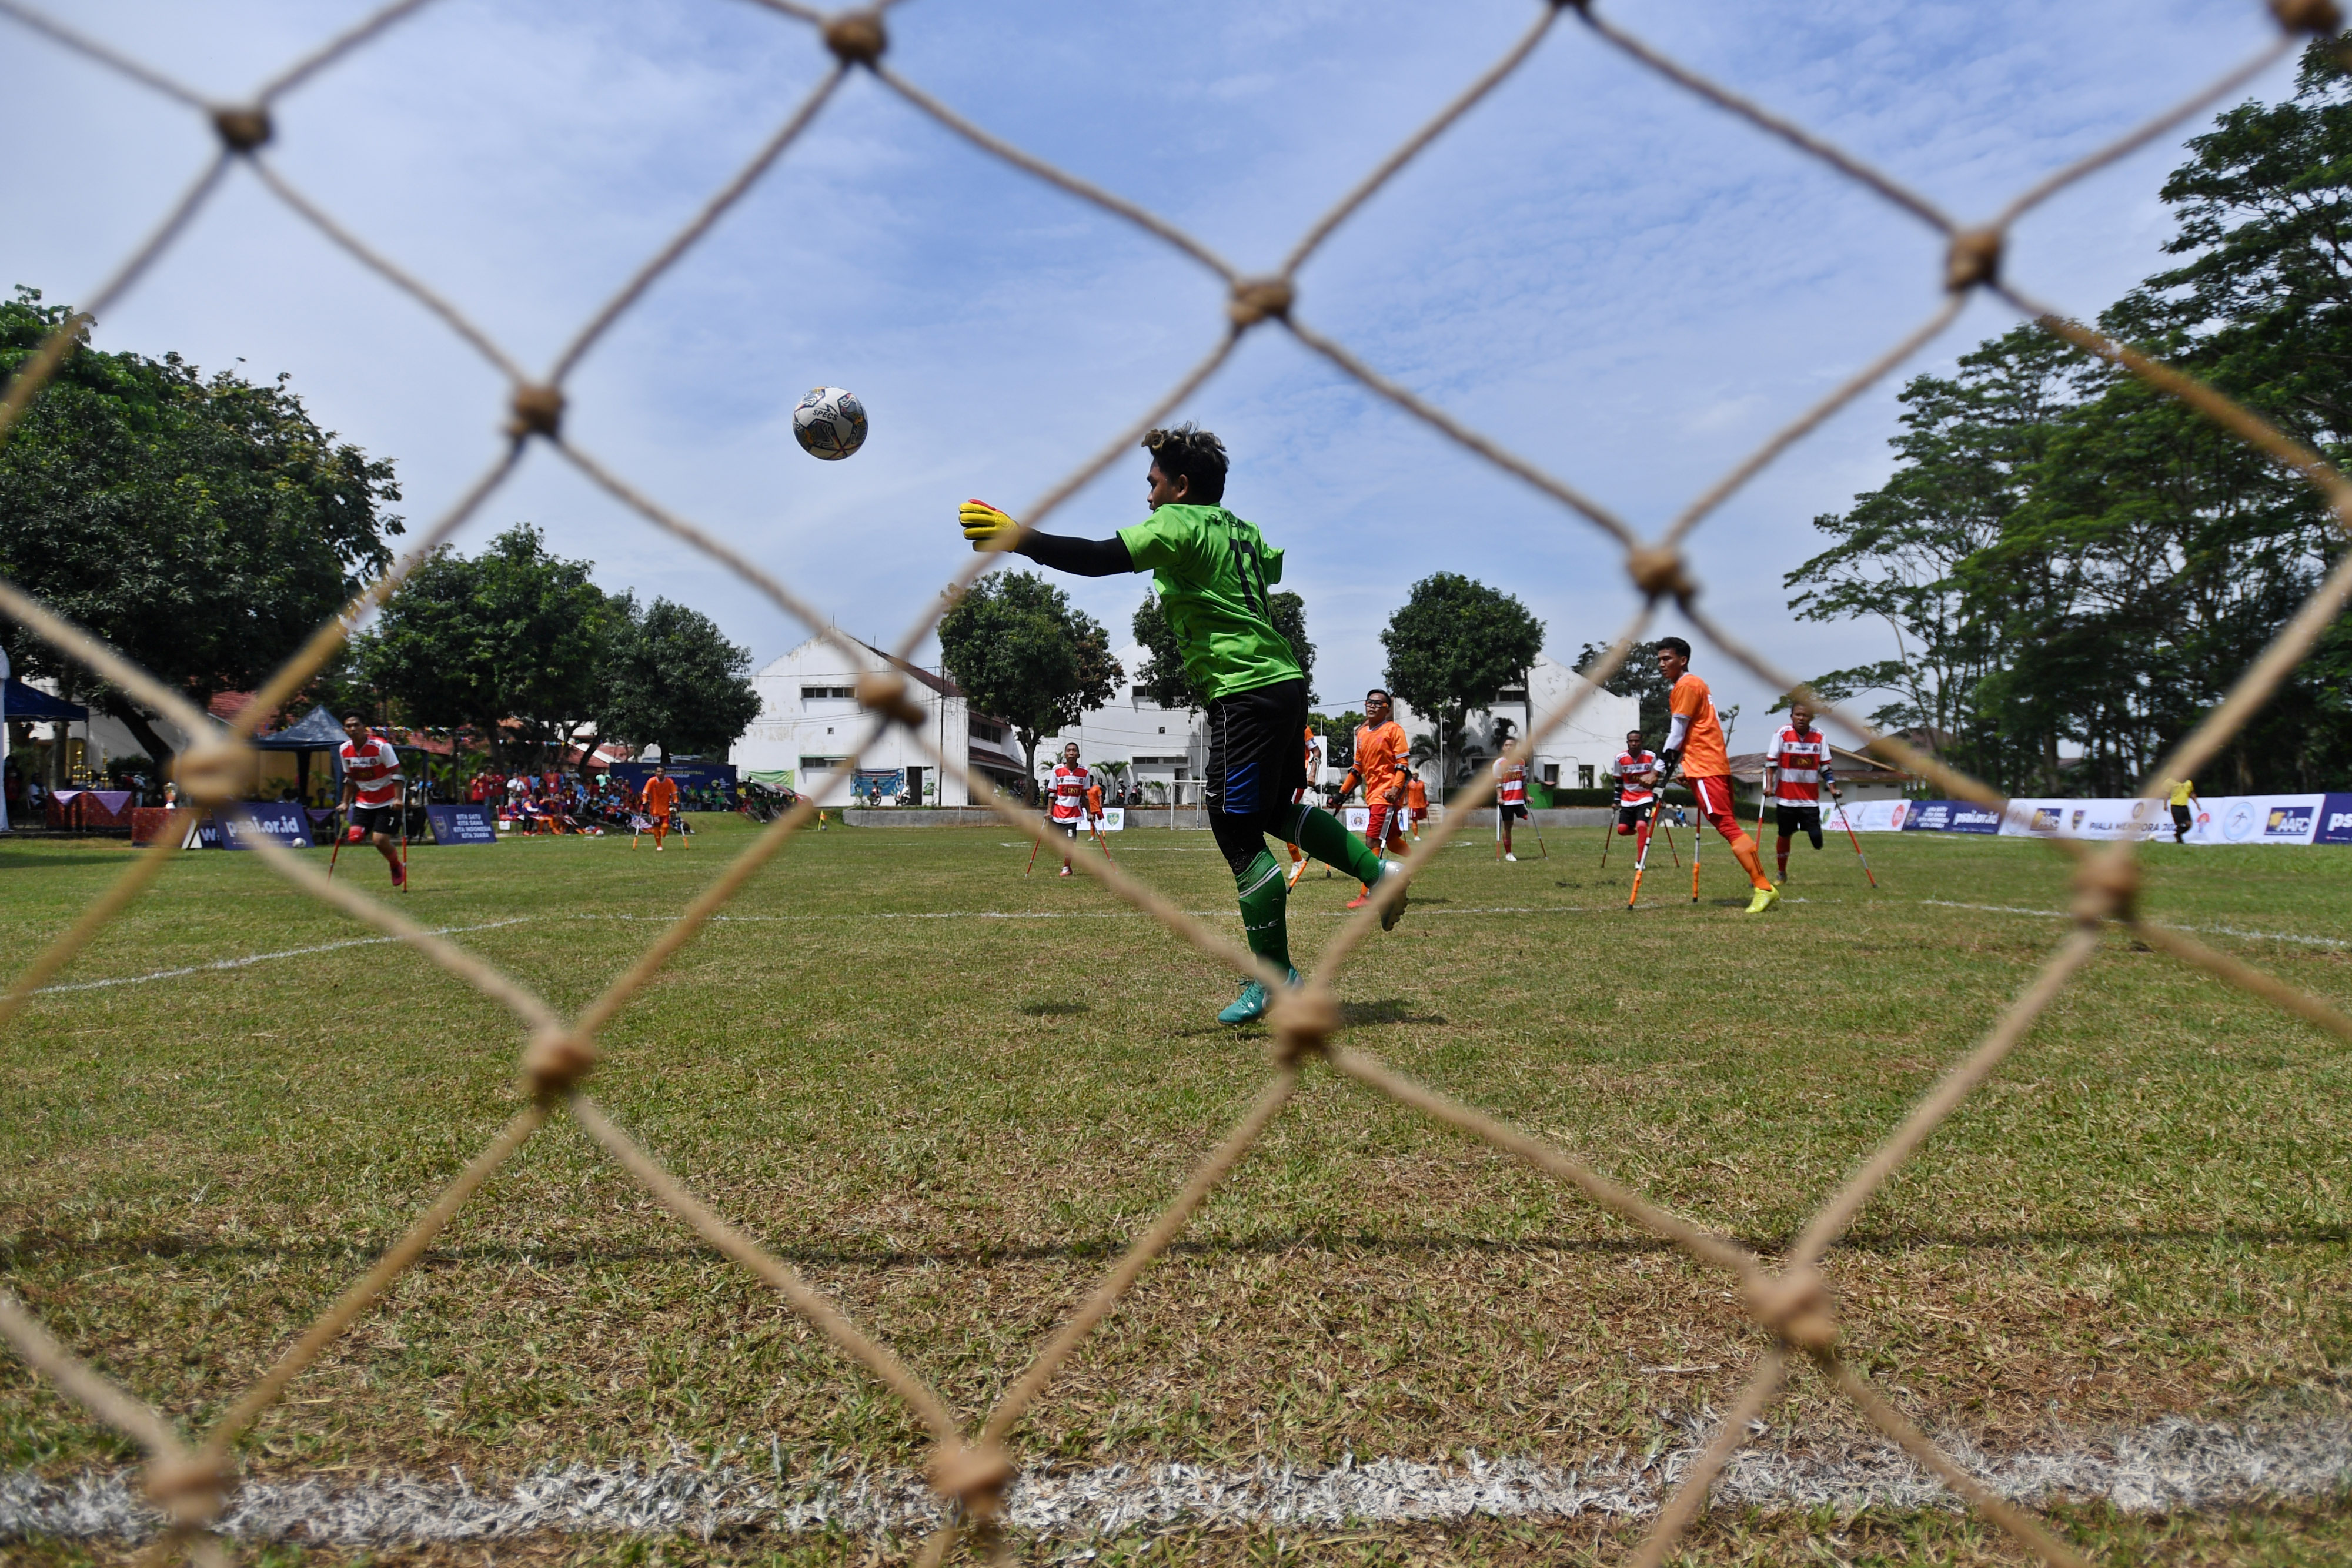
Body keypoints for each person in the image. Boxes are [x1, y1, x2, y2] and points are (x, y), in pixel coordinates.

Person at [957, 422, 1406, 1025]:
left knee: (1234, 828)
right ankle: (1377, 871)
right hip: (1284, 682)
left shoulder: (1179, 522)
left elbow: (1101, 558)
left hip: (1243, 691)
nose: (1148, 497)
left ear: (1182, 486)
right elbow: (1268, 566)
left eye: (1154, 483)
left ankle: (1277, 975)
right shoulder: (1241, 530)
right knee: (1273, 811)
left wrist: (1022, 539)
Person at [1655, 639, 1776, 913]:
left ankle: (1764, 887)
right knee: (1726, 823)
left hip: (1706, 766)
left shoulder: (1686, 686)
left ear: (1683, 660)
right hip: (1711, 764)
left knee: (1727, 826)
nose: (1662, 664)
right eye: (1659, 660)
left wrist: (1657, 769)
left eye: (1667, 659)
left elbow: (1677, 733)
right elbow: (1699, 730)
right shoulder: (1697, 684)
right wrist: (1687, 767)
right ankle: (1763, 885)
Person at [1331, 688, 1411, 909]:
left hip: (1386, 796)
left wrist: (1395, 788)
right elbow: (1357, 769)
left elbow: (1403, 764)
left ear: (1388, 709)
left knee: (1372, 842)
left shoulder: (1393, 730)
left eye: (1378, 703)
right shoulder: (1362, 734)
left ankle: (1367, 896)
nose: (1372, 706)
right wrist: (1341, 794)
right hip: (1372, 796)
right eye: (1369, 702)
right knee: (1392, 841)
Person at [1763, 701, 1837, 881]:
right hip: (1786, 799)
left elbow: (1825, 766)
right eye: (1798, 715)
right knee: (1784, 835)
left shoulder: (1819, 736)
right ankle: (1781, 872)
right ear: (1792, 716)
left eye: (1805, 715)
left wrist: (1833, 788)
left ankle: (1811, 834)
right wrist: (1769, 786)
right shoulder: (1782, 734)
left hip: (1809, 799)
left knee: (1817, 841)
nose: (1801, 718)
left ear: (1811, 718)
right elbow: (1771, 762)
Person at [336, 713, 406, 887]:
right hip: (364, 800)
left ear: (364, 727)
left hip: (388, 800)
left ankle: (395, 864)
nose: (353, 729)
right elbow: (350, 779)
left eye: (356, 725)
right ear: (344, 730)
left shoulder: (381, 746)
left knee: (380, 840)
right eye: (349, 726)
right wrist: (345, 803)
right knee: (354, 837)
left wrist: (398, 799)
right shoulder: (344, 750)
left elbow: (397, 773)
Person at [1612, 730, 1661, 860]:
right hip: (1627, 798)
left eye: (1637, 741)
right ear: (1627, 742)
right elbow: (1618, 781)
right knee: (1622, 830)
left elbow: (1655, 779)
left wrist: (1657, 798)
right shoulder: (1619, 758)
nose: (1634, 744)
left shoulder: (1651, 757)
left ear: (1641, 742)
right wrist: (1616, 800)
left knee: (1642, 826)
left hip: (1645, 796)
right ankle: (1634, 828)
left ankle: (1640, 861)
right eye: (1631, 741)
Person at [1047, 741, 1088, 875]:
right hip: (1057, 814)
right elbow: (1052, 793)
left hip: (1073, 814)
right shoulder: (1056, 770)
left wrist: (1090, 813)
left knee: (1069, 843)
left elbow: (1084, 795)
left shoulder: (1084, 772)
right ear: (1065, 754)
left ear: (1079, 755)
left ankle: (1067, 867)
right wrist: (1048, 812)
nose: (1071, 753)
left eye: (1074, 751)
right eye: (1069, 750)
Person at [635, 764, 680, 851]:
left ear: (665, 773)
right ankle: (659, 845)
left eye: (662, 772)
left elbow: (674, 794)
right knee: (656, 827)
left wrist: (676, 802)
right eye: (658, 772)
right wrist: (644, 801)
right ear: (656, 773)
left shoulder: (669, 782)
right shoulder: (651, 781)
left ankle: (663, 834)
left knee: (665, 826)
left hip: (665, 808)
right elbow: (645, 793)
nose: (660, 773)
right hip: (655, 809)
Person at [1495, 752, 1529, 861]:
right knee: (1508, 826)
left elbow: (1523, 781)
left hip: (1518, 798)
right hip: (1506, 800)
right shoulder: (1499, 763)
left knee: (1525, 816)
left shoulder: (1521, 762)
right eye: (1507, 745)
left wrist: (1527, 796)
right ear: (1504, 748)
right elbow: (1498, 783)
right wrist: (1500, 797)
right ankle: (1508, 853)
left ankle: (1523, 812)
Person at [2164, 775, 2200, 843]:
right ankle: (2179, 839)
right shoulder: (2170, 782)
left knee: (2189, 824)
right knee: (2180, 824)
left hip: (2184, 806)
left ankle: (2177, 834)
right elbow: (2167, 794)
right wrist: (2165, 804)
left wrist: (2197, 804)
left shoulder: (2188, 783)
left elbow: (2192, 794)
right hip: (2175, 806)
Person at [1405, 773, 1429, 841]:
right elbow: (1406, 793)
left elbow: (1424, 793)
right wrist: (1405, 801)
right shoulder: (1409, 783)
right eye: (1413, 774)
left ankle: (1425, 834)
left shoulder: (1422, 783)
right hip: (1413, 805)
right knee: (1414, 820)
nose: (1415, 776)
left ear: (1418, 775)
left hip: (1421, 804)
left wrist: (1426, 801)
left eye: (1416, 774)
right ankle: (1416, 835)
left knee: (1422, 818)